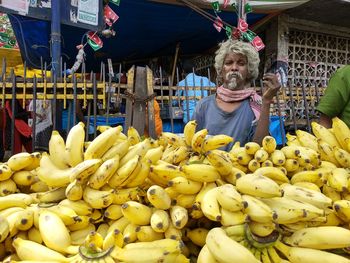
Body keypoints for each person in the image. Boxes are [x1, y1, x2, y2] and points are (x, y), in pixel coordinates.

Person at [192, 39, 281, 150]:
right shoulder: (204, 105)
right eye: (229, 63)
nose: (234, 67)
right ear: (221, 70)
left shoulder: (256, 105)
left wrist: (266, 101)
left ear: (249, 70)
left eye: (241, 63)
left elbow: (260, 149)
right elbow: (193, 144)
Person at [176, 59, 216, 124]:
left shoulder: (181, 83)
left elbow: (175, 101)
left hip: (189, 118)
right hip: (204, 115)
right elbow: (215, 88)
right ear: (195, 69)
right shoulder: (204, 80)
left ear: (183, 71)